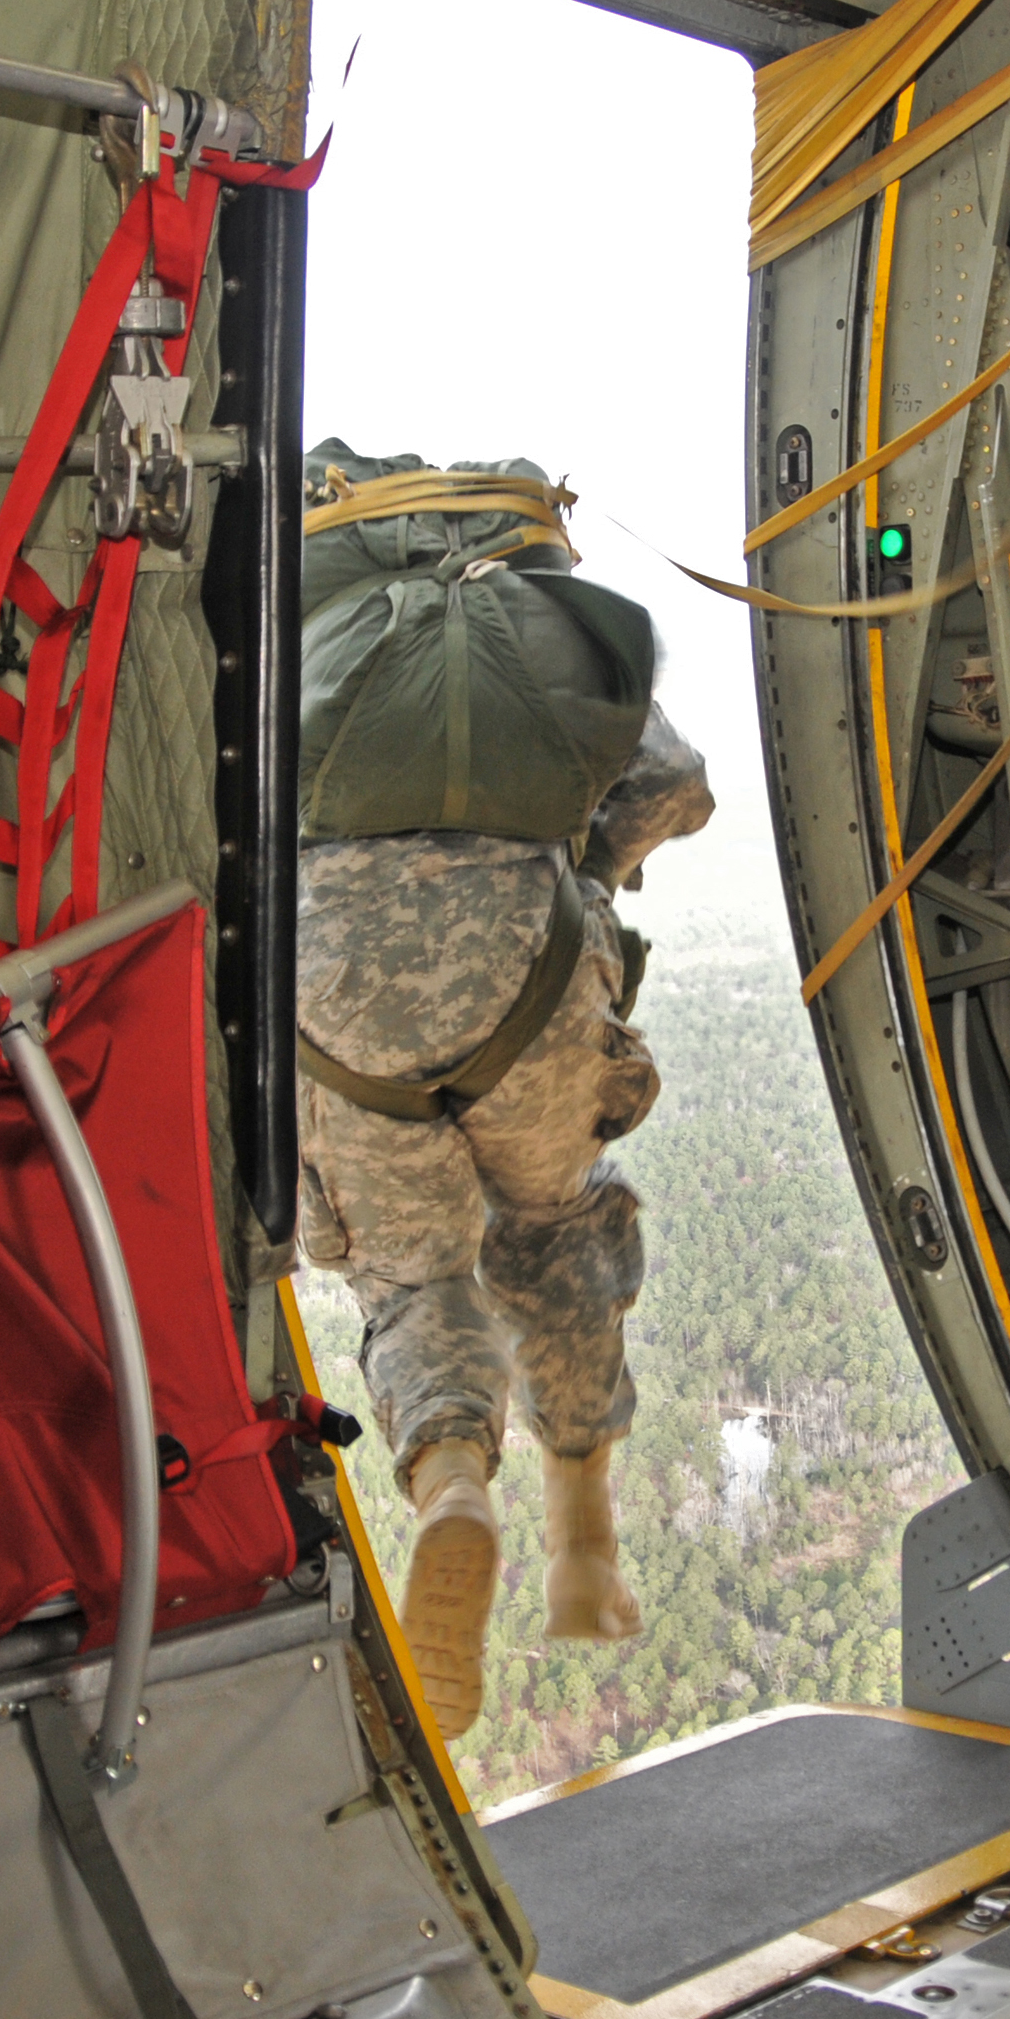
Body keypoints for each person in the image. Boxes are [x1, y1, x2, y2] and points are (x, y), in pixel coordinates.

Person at [293, 449, 714, 1740]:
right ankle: (583, 1526)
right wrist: (579, 858)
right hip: (525, 970)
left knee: (416, 1281)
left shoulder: (298, 631)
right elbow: (675, 791)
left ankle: (454, 1482)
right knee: (555, 1228)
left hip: (333, 992)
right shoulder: (531, 634)